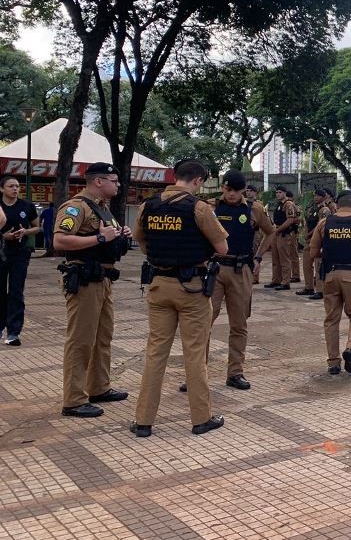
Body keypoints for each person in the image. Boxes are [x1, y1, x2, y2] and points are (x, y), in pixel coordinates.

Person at [131, 160, 229, 437]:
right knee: (195, 354)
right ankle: (201, 419)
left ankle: (143, 422)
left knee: (155, 353)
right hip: (192, 289)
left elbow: (141, 241)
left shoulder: (148, 206)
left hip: (159, 285)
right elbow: (222, 247)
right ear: (198, 181)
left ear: (175, 177)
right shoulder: (199, 208)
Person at [53, 163, 132, 418]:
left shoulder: (103, 208)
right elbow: (59, 240)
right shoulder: (76, 207)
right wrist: (100, 239)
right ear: (98, 181)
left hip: (103, 279)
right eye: (113, 180)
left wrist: (121, 234)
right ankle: (74, 399)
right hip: (85, 279)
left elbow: (109, 236)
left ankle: (99, 387)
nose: (117, 185)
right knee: (81, 341)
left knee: (102, 337)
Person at [202, 170, 275, 391]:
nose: (231, 194)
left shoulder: (254, 209)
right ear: (223, 188)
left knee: (239, 324)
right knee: (204, 322)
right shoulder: (210, 207)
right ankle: (197, 374)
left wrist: (259, 257)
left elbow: (270, 232)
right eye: (228, 189)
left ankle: (235, 372)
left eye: (236, 190)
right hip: (214, 268)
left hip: (241, 269)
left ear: (243, 190)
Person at [309, 190, 351, 374]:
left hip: (330, 276)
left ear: (337, 205)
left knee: (331, 319)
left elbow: (313, 252)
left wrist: (330, 253)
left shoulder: (324, 223)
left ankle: (333, 362)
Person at [1, 175, 40, 346]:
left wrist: (25, 232)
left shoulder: (27, 206)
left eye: (17, 186)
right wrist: (4, 236)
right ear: (2, 189)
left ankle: (14, 332)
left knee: (16, 292)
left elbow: (37, 227)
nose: (15, 189)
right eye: (11, 186)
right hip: (1, 253)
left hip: (20, 253)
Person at [266, 187, 299, 290]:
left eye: (280, 192)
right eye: (276, 193)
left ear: (285, 193)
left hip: (284, 233)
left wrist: (278, 229)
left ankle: (285, 282)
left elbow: (290, 220)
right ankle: (276, 280)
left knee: (284, 259)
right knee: (275, 258)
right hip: (277, 231)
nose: (278, 194)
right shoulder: (279, 204)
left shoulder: (288, 204)